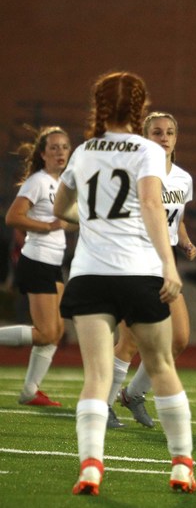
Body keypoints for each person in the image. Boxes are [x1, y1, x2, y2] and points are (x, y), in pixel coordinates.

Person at [54, 71, 196, 495]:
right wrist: (169, 265)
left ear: (98, 105)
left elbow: (62, 208)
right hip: (137, 272)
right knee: (162, 365)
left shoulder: (82, 152)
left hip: (90, 275)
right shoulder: (146, 150)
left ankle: (92, 467)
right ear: (139, 107)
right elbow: (153, 204)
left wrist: (94, 222)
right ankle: (181, 465)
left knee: (96, 376)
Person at [106, 111, 196, 429]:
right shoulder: (134, 174)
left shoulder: (183, 178)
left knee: (179, 339)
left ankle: (132, 394)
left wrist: (184, 242)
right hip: (134, 261)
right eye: (157, 132)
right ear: (146, 137)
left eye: (170, 132)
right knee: (131, 341)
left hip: (165, 263)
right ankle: (102, 404)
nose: (164, 137)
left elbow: (176, 220)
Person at [0, 126, 73, 407]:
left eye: (64, 147)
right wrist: (46, 226)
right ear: (42, 154)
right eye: (53, 147)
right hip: (37, 261)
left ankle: (31, 390)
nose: (59, 152)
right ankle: (30, 389)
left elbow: (68, 221)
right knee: (44, 332)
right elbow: (12, 217)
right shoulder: (39, 181)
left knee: (54, 332)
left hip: (53, 263)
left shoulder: (64, 183)